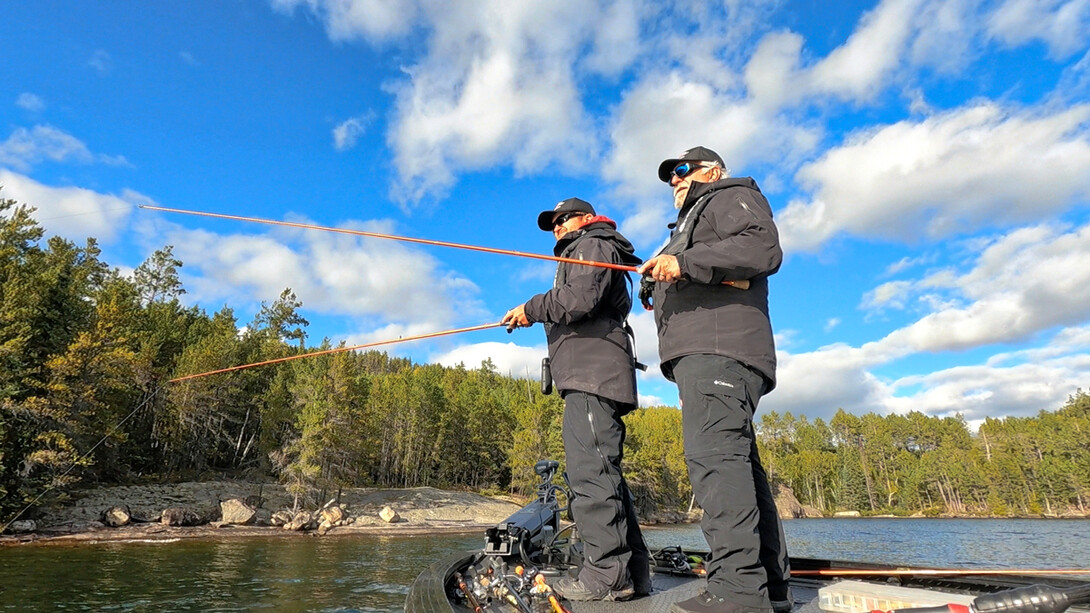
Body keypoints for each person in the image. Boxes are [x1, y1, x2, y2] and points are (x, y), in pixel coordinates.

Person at [637, 147, 793, 613]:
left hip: (719, 352)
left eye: (683, 170)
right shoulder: (690, 224)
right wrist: (659, 278)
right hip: (711, 355)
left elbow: (761, 248)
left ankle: (738, 593)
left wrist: (683, 263)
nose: (676, 181)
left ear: (713, 171)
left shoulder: (730, 195)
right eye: (670, 177)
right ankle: (770, 586)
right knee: (736, 464)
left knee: (716, 463)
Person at [501, 197, 652, 602]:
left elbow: (578, 299)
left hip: (593, 378)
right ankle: (634, 574)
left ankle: (605, 578)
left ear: (586, 218)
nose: (558, 227)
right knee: (604, 476)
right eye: (553, 223)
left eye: (564, 219)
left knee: (591, 478)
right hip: (592, 377)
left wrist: (529, 309)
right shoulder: (587, 247)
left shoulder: (592, 243)